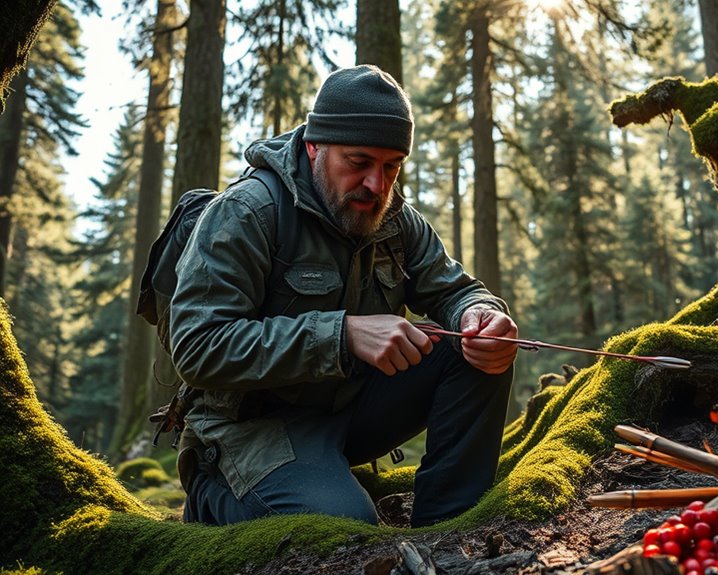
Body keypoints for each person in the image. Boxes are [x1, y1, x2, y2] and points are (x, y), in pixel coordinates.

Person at [169, 65, 517, 527]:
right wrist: (342, 335)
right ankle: (214, 498)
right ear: (316, 146)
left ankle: (449, 528)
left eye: (391, 166)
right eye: (359, 162)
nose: (377, 184)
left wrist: (482, 315)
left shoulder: (396, 219)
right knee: (347, 530)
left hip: (346, 414)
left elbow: (455, 290)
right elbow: (198, 347)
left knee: (470, 348)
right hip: (247, 430)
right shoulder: (247, 212)